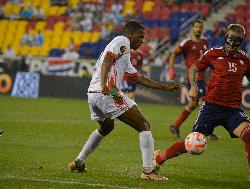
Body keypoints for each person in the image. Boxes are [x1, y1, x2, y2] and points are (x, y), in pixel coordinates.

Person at [67, 20, 183, 180]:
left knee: (107, 127)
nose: (142, 41)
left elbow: (137, 78)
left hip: (92, 95)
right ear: (130, 34)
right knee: (144, 125)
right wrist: (104, 84)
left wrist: (165, 87)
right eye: (140, 37)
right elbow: (108, 59)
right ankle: (148, 172)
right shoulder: (122, 41)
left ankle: (78, 162)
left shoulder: (125, 53)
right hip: (107, 93)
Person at [153, 24, 250, 182]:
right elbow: (193, 69)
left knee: (249, 134)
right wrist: (194, 87)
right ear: (225, 39)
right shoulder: (213, 53)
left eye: (235, 42)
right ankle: (159, 158)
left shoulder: (244, 59)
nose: (231, 46)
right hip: (211, 107)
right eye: (229, 41)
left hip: (233, 110)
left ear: (240, 42)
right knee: (191, 143)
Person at [168, 19, 219, 140]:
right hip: (193, 79)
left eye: (200, 27)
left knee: (193, 104)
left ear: (202, 28)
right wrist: (171, 69)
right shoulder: (187, 43)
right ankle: (206, 131)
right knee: (205, 104)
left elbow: (208, 59)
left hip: (203, 78)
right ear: (192, 28)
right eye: (196, 27)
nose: (198, 29)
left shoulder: (205, 42)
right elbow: (174, 54)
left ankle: (176, 126)